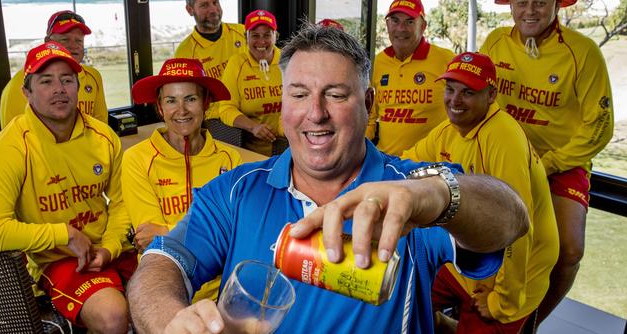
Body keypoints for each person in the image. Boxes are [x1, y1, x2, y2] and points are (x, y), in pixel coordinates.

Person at [126, 23, 529, 334]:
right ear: (282, 103)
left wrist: (439, 197)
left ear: (369, 104)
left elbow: (512, 217)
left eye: (336, 95)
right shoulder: (234, 191)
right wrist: (170, 320)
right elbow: (161, 263)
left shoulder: (406, 188)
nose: (315, 114)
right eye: (299, 95)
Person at [480, 0, 614, 323]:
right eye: (522, 2)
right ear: (511, 6)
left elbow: (599, 127)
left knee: (569, 251)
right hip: (505, 157)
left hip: (560, 164)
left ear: (557, 4)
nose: (530, 10)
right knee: (488, 237)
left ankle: (533, 323)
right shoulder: (495, 41)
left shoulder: (582, 51)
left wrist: (551, 162)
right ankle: (486, 312)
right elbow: (477, 97)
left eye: (540, 2)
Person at [0, 42, 135, 332]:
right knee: (113, 316)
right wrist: (62, 235)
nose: (59, 89)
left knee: (174, 281)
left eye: (66, 80)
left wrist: (110, 247)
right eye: (46, 81)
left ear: (78, 87)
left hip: (107, 248)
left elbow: (122, 201)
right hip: (57, 260)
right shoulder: (11, 147)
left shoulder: (103, 137)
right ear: (26, 92)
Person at [402, 52, 559, 333]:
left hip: (517, 272)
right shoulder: (447, 130)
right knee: (405, 294)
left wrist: (504, 302)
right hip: (468, 256)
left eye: (468, 92)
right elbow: (404, 166)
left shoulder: (502, 137)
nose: (455, 100)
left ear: (491, 95)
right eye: (450, 90)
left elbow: (519, 230)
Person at [122, 57, 242, 301]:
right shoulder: (136, 159)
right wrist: (213, 240)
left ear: (206, 103)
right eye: (171, 101)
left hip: (223, 290)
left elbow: (237, 236)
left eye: (191, 99)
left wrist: (167, 231)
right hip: (164, 285)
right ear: (160, 108)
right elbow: (151, 242)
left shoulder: (231, 159)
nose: (181, 110)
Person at [366, 0, 455, 156]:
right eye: (395, 21)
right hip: (387, 161)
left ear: (423, 26)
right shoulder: (379, 62)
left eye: (410, 22)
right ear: (387, 24)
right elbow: (371, 115)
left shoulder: (446, 59)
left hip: (430, 164)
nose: (401, 28)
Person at [0, 10, 108, 128]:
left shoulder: (93, 76)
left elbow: (101, 126)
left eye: (79, 41)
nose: (73, 46)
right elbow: (15, 136)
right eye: (65, 39)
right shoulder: (21, 82)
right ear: (48, 42)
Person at [175, 0, 246, 119]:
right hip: (216, 118)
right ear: (190, 10)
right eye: (204, 5)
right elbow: (185, 97)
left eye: (215, 2)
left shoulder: (243, 33)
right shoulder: (185, 52)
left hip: (252, 109)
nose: (213, 10)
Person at [218, 9, 283, 156]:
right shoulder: (236, 64)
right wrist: (253, 127)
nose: (261, 42)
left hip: (289, 145)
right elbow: (226, 109)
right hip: (251, 150)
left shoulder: (289, 61)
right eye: (255, 35)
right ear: (246, 38)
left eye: (267, 35)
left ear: (275, 36)